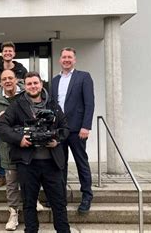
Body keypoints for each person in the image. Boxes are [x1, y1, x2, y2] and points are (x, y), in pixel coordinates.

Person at [0, 72, 70, 233]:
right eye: (29, 84)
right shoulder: (17, 105)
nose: (33, 86)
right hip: (28, 163)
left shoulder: (53, 105)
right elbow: (1, 127)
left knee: (59, 203)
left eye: (35, 83)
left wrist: (56, 139)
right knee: (29, 203)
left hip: (52, 163)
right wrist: (19, 139)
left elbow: (65, 128)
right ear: (25, 86)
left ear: (41, 84)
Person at [0, 70, 44, 231]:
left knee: (31, 178)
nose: (8, 81)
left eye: (10, 78)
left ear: (16, 79)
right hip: (7, 148)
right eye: (4, 79)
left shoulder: (27, 96)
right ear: (0, 82)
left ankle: (34, 200)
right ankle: (13, 213)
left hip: (28, 146)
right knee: (11, 183)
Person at [51, 47, 95, 214]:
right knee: (59, 165)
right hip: (59, 130)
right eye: (64, 57)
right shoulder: (55, 80)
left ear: (74, 60)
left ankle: (86, 196)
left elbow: (89, 103)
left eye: (69, 57)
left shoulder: (84, 77)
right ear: (60, 60)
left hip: (77, 129)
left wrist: (86, 126)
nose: (66, 60)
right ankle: (59, 196)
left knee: (81, 162)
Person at [0, 41, 28, 188]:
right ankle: (1, 175)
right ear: (2, 54)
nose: (8, 53)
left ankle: (21, 172)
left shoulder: (22, 69)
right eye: (5, 51)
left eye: (10, 51)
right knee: (1, 145)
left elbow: (27, 89)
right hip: (1, 110)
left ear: (14, 53)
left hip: (18, 113)